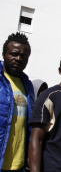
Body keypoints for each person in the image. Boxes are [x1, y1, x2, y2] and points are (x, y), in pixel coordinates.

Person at [0, 32, 34, 172]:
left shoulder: (28, 85)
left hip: (19, 166)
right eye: (14, 54)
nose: (18, 58)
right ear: (3, 54)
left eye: (23, 56)